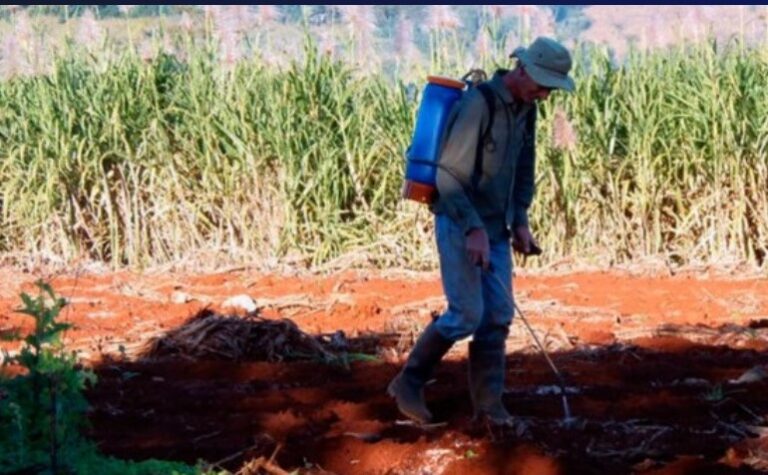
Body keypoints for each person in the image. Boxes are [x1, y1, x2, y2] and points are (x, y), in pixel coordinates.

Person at [388, 37, 575, 427]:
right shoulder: (478, 105)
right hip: (460, 221)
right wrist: (473, 229)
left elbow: (524, 169)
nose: (543, 94)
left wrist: (520, 220)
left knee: (499, 316)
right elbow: (448, 175)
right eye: (541, 84)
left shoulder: (527, 110)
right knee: (466, 314)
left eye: (549, 88)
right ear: (521, 69)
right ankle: (408, 382)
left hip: (497, 227)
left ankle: (489, 407)